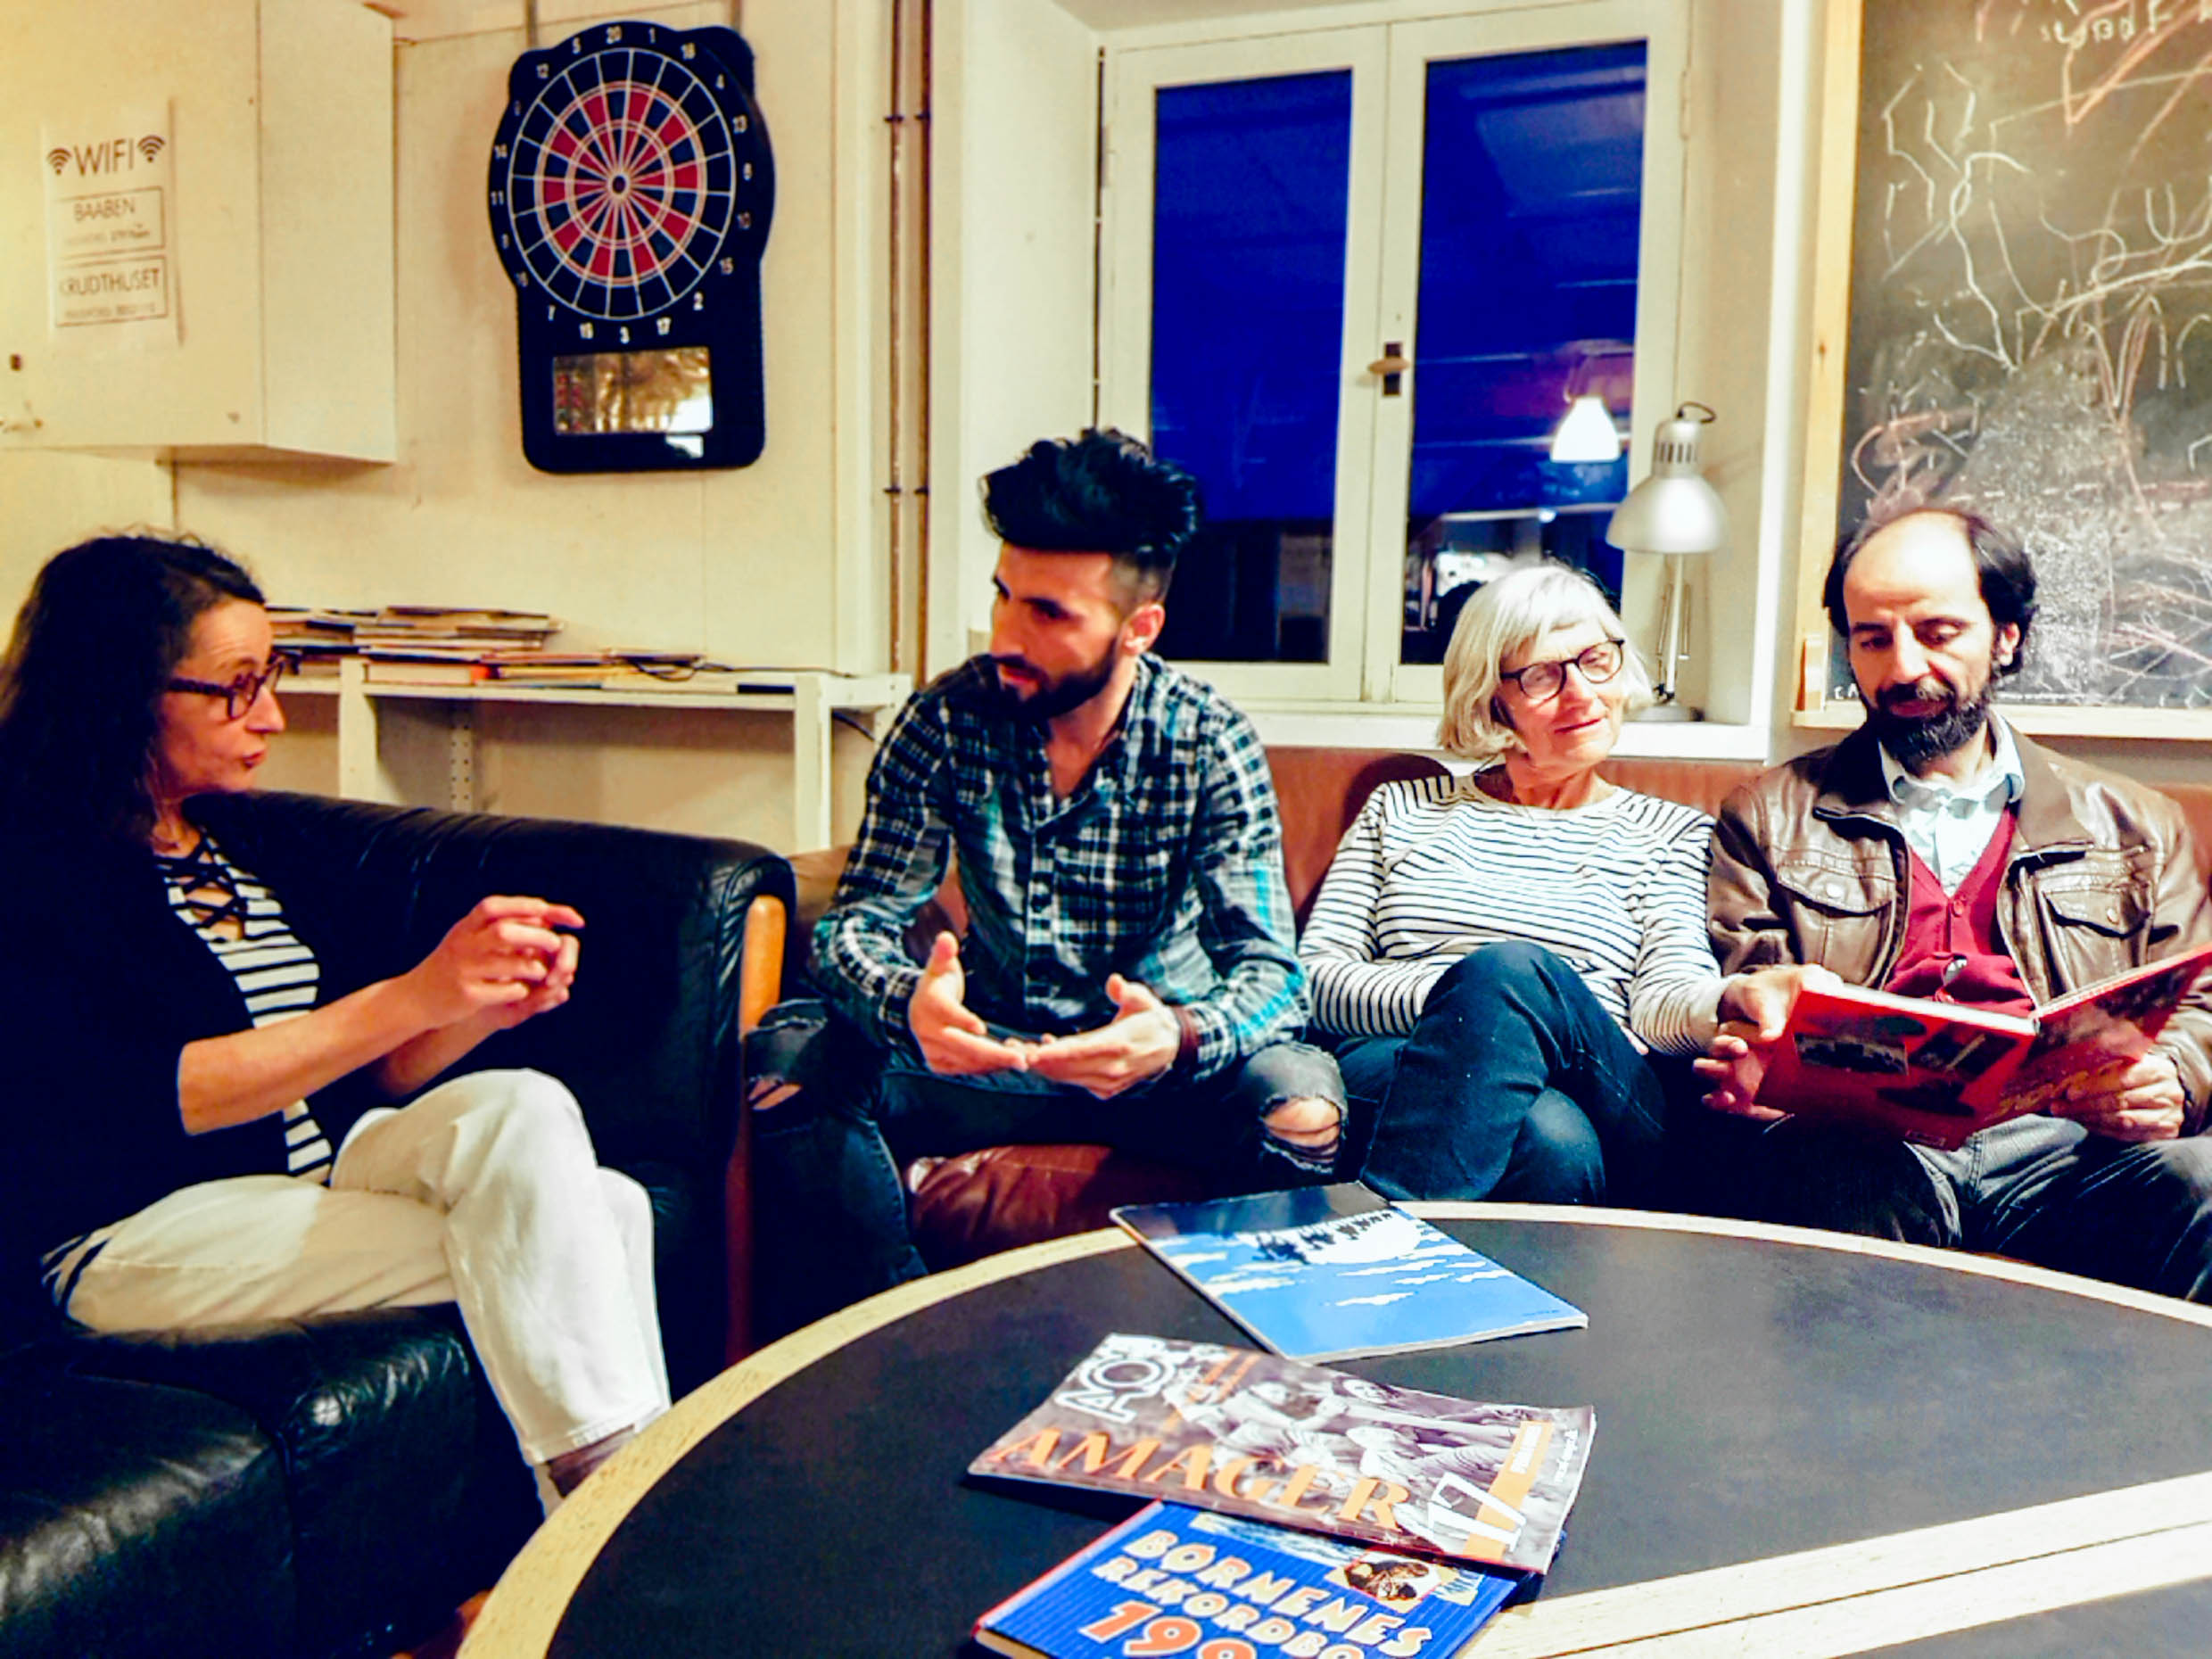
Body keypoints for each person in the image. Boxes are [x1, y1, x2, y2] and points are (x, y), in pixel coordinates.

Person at [0, 535, 669, 1503]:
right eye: (235, 686)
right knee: (597, 1217)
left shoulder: (232, 841)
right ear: (120, 690)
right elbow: (154, 1096)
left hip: (303, 1186)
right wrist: (411, 994)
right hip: (128, 1236)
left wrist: (472, 1006)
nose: (269, 716)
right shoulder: (34, 864)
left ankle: (599, 1539)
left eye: (271, 677)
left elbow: (366, 1078)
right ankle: (616, 1526)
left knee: (523, 1108)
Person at [746, 430, 1347, 1333]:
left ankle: (1241, 1371)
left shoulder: (1207, 739)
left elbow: (1271, 977)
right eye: (1002, 597)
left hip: (1159, 1078)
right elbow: (858, 919)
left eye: (1050, 615)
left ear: (1138, 628)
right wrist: (908, 1001)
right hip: (989, 1056)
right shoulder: (948, 718)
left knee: (1299, 1100)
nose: (1004, 637)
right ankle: (894, 1345)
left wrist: (1176, 1036)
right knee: (784, 1064)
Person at [1697, 505, 2212, 1301]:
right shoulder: (1767, 815)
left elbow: (2199, 1000)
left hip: (2071, 1149)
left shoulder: (2137, 824)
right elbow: (1757, 986)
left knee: (2202, 1178)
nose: (1903, 668)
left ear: (2006, 636)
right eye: (1872, 639)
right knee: (1825, 1170)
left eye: (1937, 632)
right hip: (1871, 1145)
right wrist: (1765, 1055)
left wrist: (2173, 1080)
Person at [1300, 562, 1811, 1206]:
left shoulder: (1671, 832)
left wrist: (1733, 996)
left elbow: (1661, 1002)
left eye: (1596, 660)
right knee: (1550, 1141)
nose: (1581, 694)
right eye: (1542, 675)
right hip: (1404, 1060)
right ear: (1491, 698)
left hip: (1602, 1081)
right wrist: (1478, 1002)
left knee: (1513, 976)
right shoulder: (1400, 810)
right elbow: (1314, 979)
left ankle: (1379, 1256)